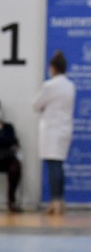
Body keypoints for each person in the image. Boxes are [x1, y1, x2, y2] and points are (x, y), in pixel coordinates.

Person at [33, 50, 76, 215]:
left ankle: (55, 201)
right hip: (65, 128)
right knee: (59, 164)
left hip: (51, 129)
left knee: (53, 165)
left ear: (52, 68)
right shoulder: (70, 85)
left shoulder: (50, 85)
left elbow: (36, 104)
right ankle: (60, 201)